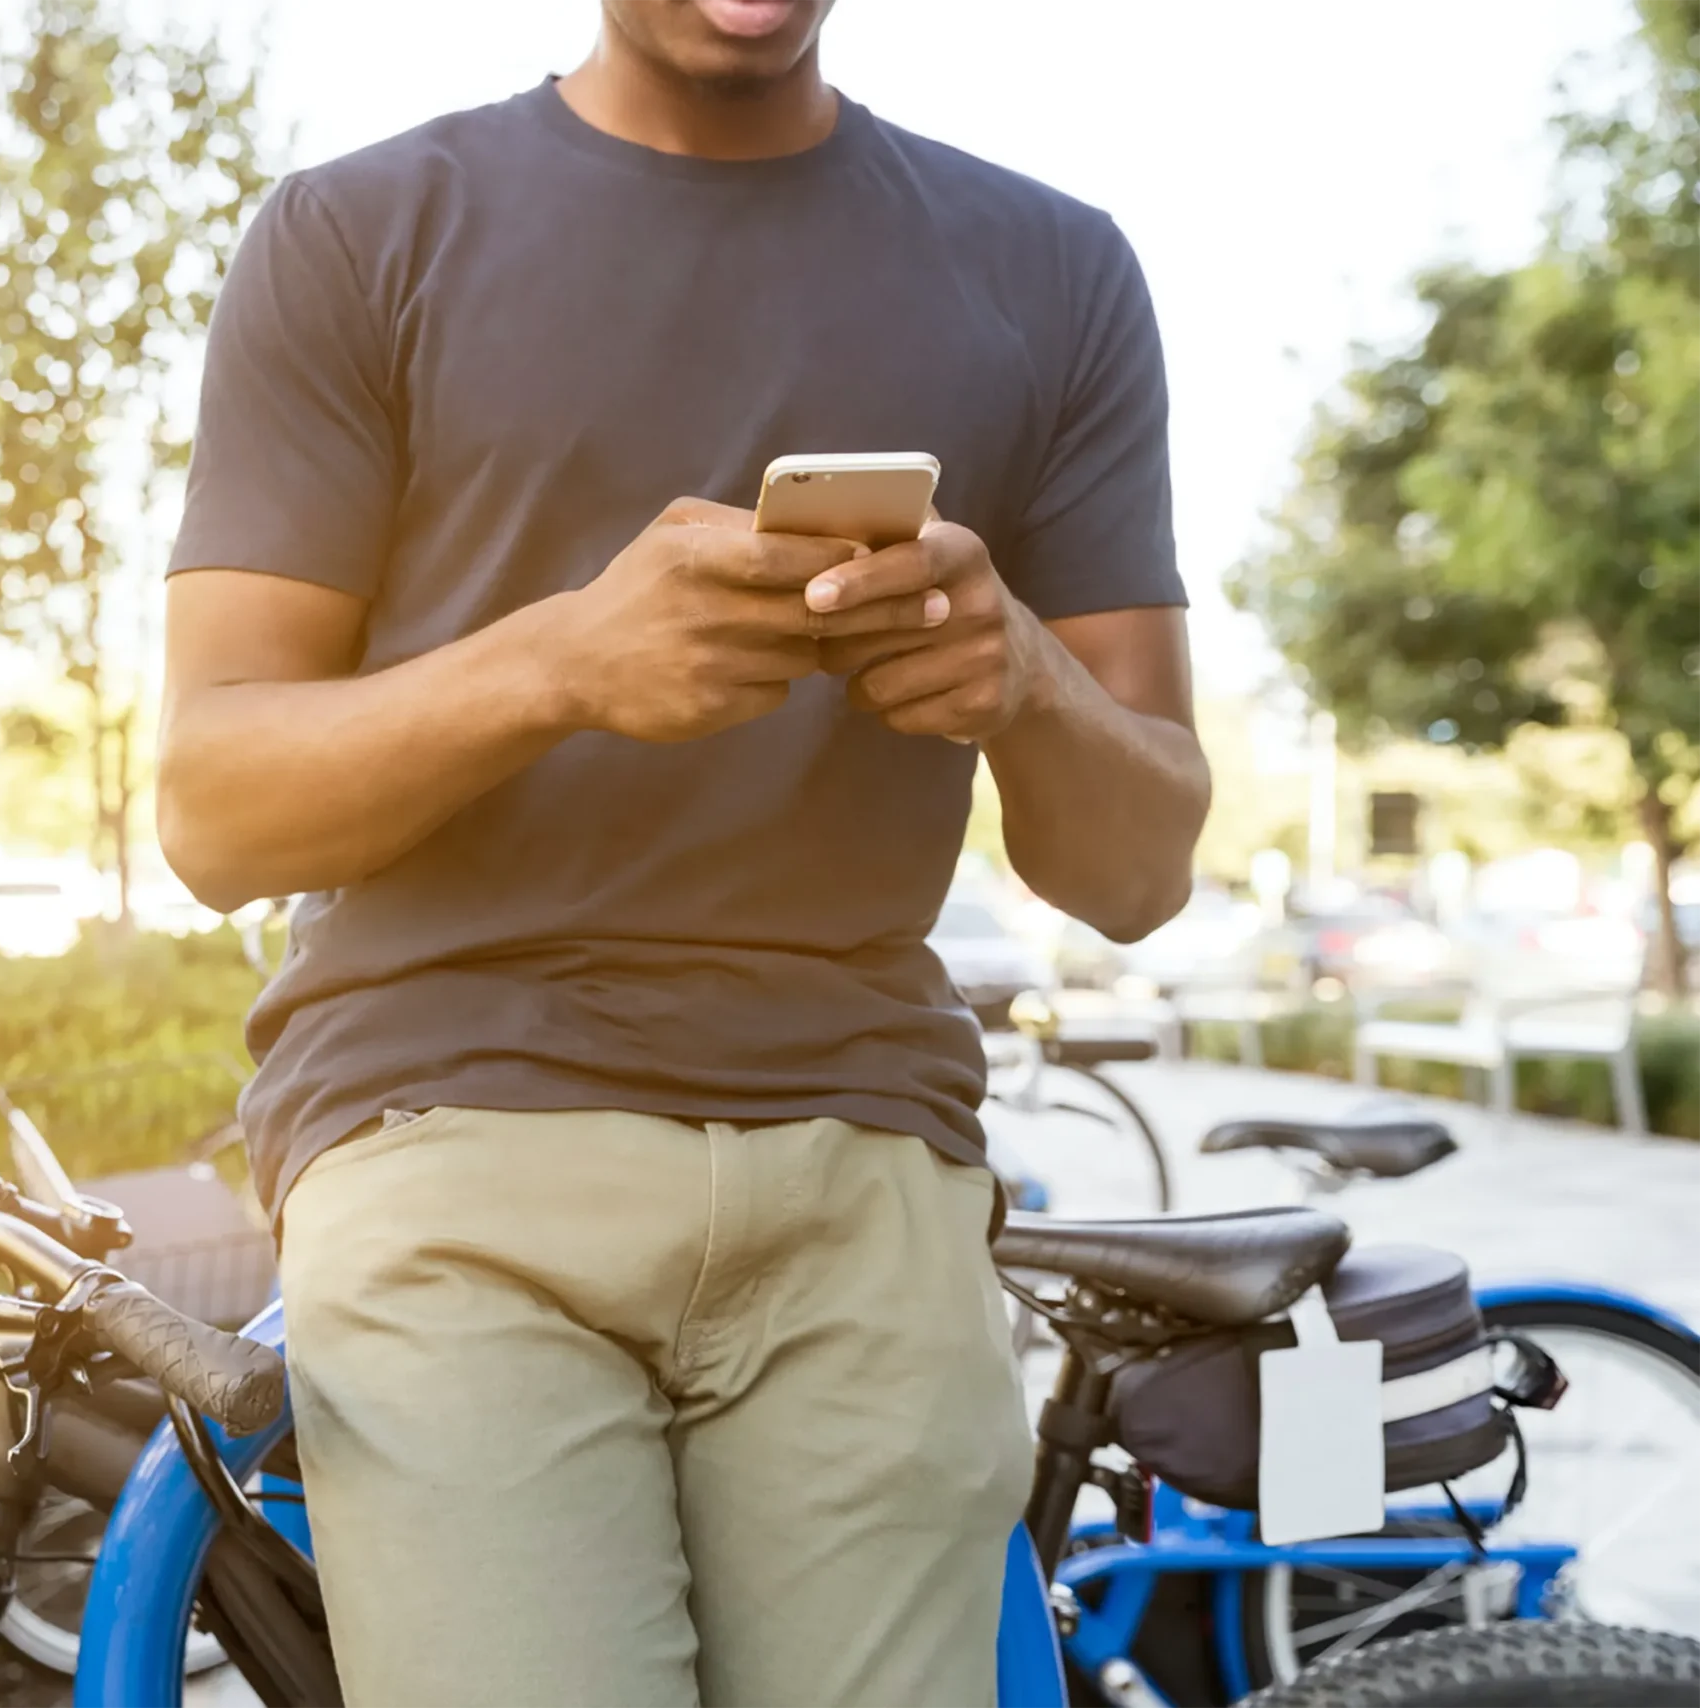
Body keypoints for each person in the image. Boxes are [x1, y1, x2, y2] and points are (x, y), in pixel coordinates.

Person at [155, 0, 1210, 1701]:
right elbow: (214, 810)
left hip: (867, 1164)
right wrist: (558, 665)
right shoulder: (358, 235)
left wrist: (1022, 680)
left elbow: (1139, 868)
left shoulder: (1054, 269)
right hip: (455, 1141)